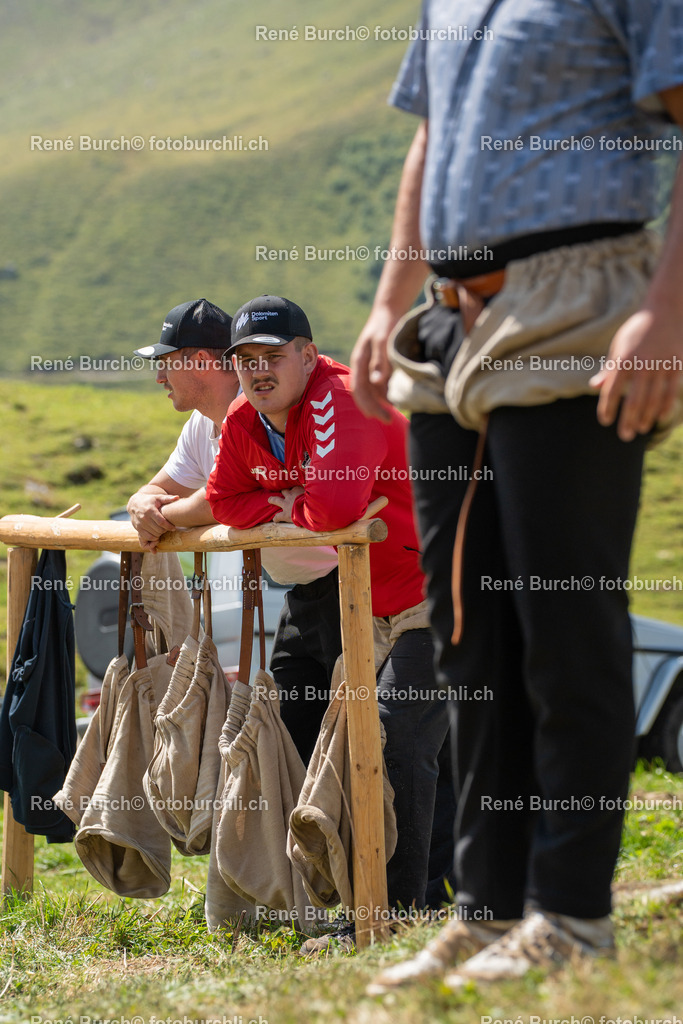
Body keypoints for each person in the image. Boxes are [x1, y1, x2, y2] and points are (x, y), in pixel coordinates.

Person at [350, 0, 683, 991]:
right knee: (465, 630)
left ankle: (571, 913)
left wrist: (666, 313)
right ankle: (487, 907)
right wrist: (387, 299)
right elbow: (430, 139)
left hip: (576, 301)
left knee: (563, 624)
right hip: (449, 323)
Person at [206, 293, 455, 924]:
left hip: (440, 590)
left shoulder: (339, 399)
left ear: (308, 355)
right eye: (245, 360)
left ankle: (394, 914)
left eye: (272, 356)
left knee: (395, 739)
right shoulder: (243, 416)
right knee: (359, 740)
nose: (258, 371)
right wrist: (299, 504)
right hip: (371, 603)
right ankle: (374, 901)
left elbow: (336, 510)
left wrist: (292, 506)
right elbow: (224, 500)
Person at [128, 298, 238, 550]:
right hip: (283, 570)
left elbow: (224, 499)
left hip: (328, 565)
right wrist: (138, 502)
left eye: (166, 363)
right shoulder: (200, 421)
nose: (159, 378)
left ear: (201, 361)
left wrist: (158, 516)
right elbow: (158, 488)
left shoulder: (255, 409)